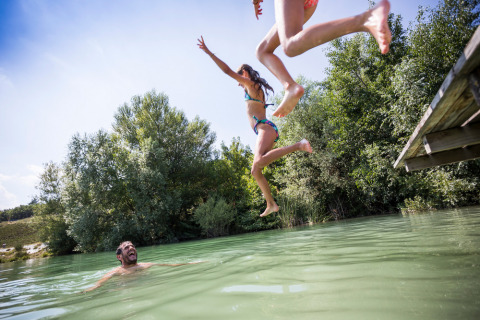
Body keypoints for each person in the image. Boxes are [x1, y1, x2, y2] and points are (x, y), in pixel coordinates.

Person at [197, 36, 313, 217]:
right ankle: (271, 204)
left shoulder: (251, 85)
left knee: (257, 163)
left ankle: (299, 145)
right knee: (255, 170)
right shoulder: (253, 87)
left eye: (239, 77)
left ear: (244, 73)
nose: (237, 82)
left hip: (264, 128)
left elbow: (227, 71)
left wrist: (209, 52)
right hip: (264, 129)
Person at [253, 0, 392, 118]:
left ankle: (365, 20)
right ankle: (290, 86)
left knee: (290, 45)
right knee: (262, 51)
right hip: (309, 5)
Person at [83, 241, 201, 292]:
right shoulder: (117, 272)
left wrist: (192, 264)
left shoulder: (146, 265)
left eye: (132, 246)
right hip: (129, 290)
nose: (131, 248)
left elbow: (171, 266)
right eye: (126, 247)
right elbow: (99, 284)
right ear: (119, 257)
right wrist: (88, 291)